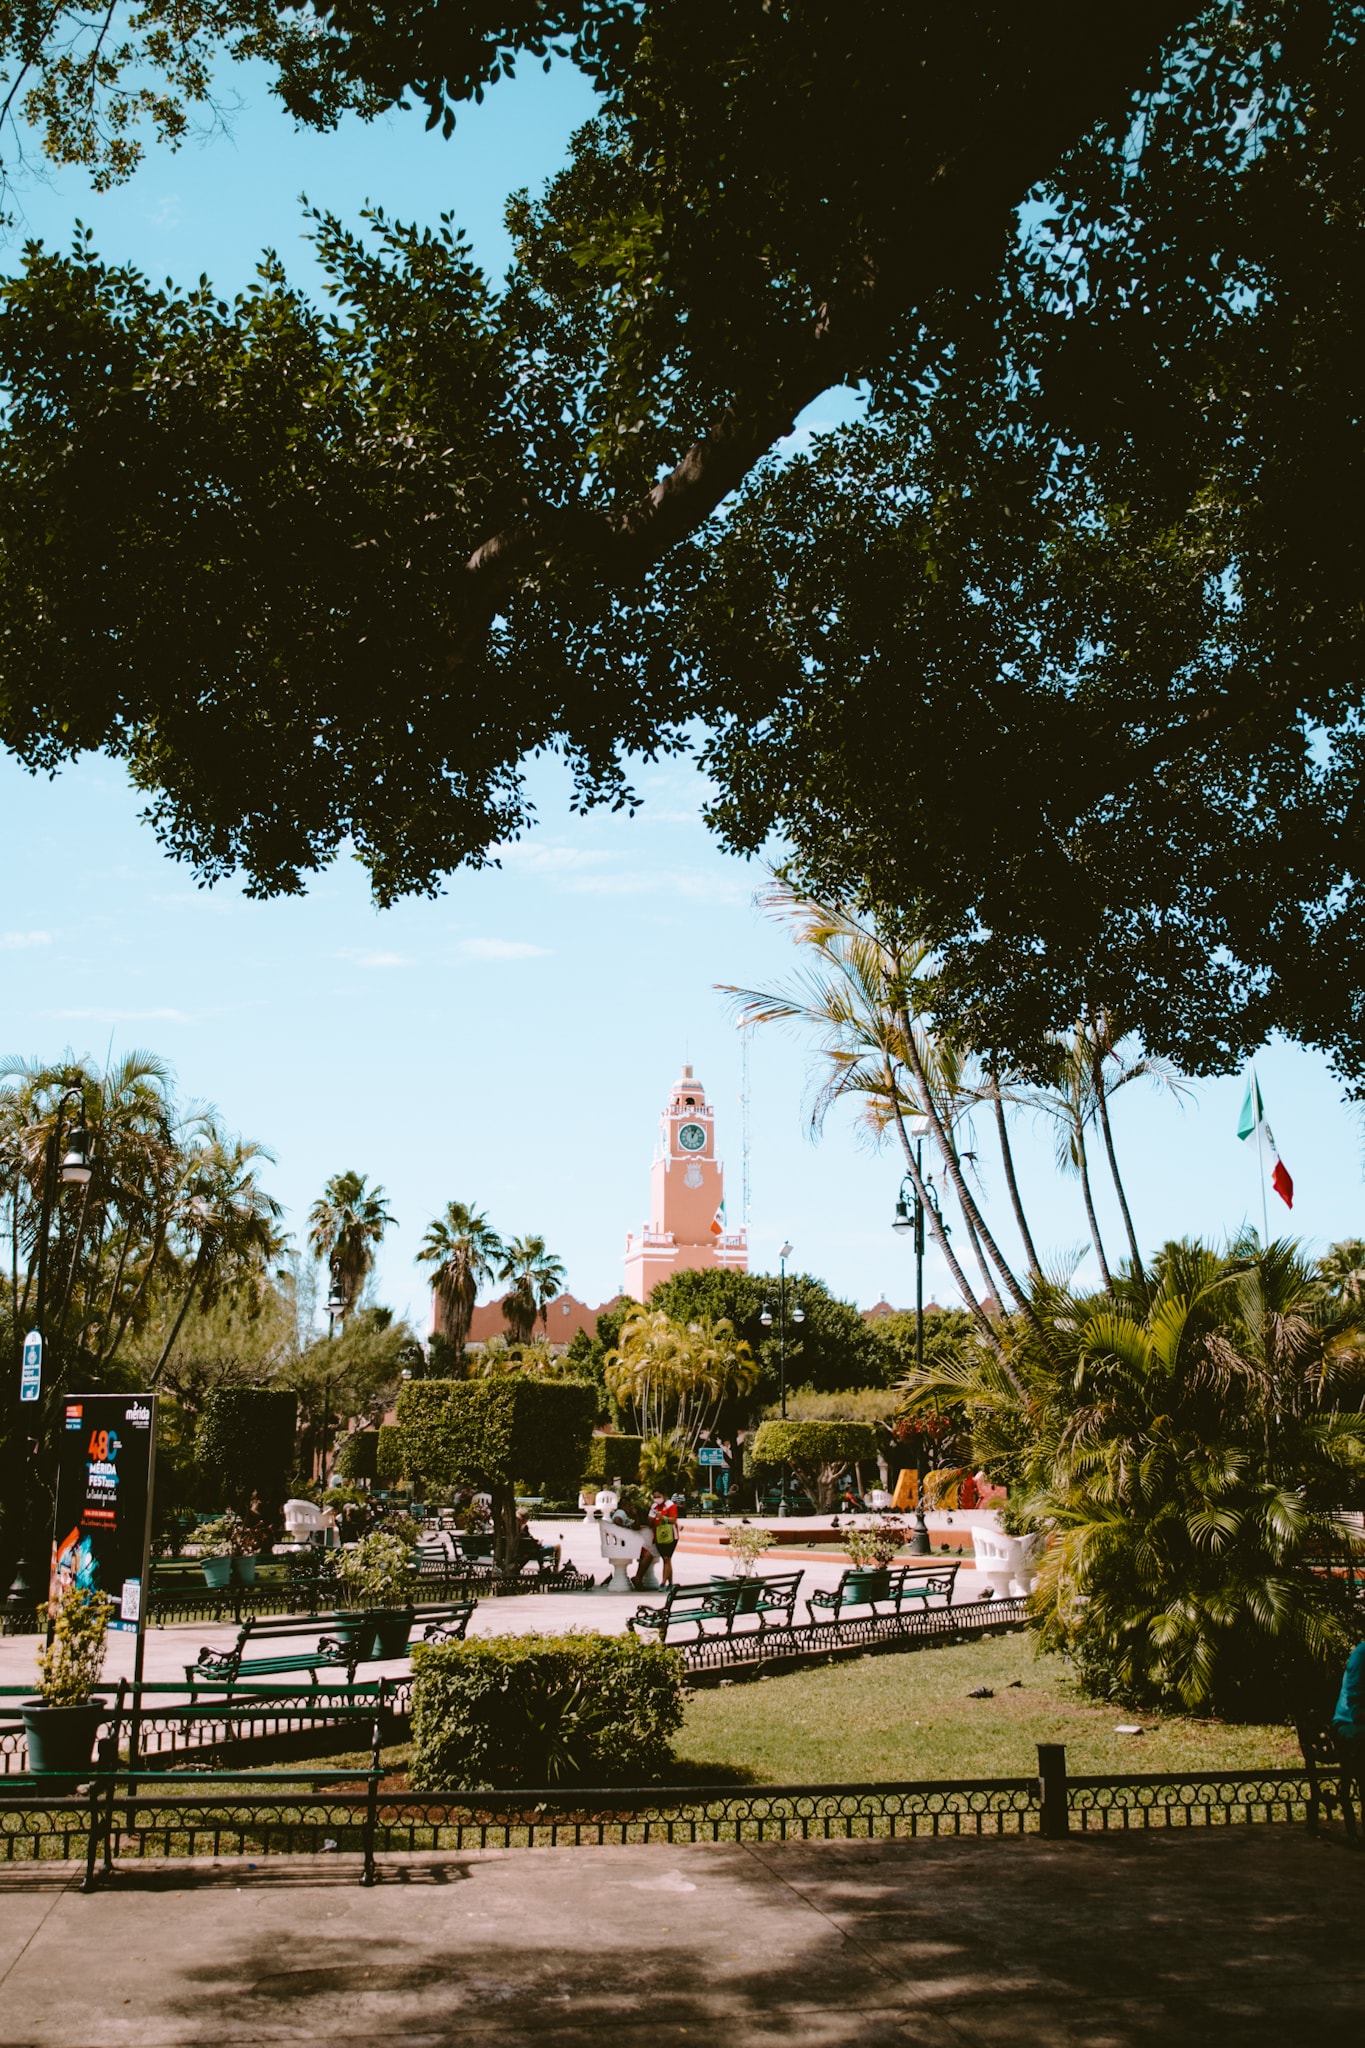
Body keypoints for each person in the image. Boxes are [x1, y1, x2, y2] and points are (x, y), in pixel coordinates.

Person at [650, 1493, 680, 1585]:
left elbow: (674, 1520)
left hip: (671, 1535)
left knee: (667, 1558)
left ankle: (663, 1582)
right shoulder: (654, 1507)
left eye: (659, 1496)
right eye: (655, 1497)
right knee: (666, 1559)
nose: (657, 1499)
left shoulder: (670, 1505)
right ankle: (670, 1583)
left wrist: (662, 1517)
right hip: (659, 1536)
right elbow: (650, 1522)